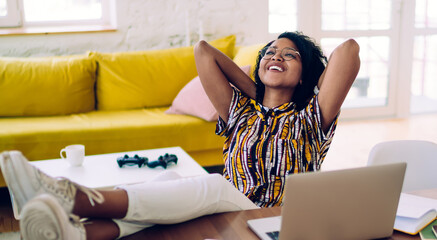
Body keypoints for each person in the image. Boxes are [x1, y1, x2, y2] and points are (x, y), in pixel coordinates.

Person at [0, 31, 360, 240]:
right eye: (270, 51)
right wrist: (255, 91)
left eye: (289, 55)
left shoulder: (312, 118)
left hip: (276, 217)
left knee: (212, 185)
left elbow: (349, 51)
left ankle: (73, 197)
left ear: (305, 75)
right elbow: (202, 51)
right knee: (169, 180)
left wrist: (301, 84)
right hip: (230, 206)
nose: (275, 56)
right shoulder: (240, 111)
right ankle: (77, 233)